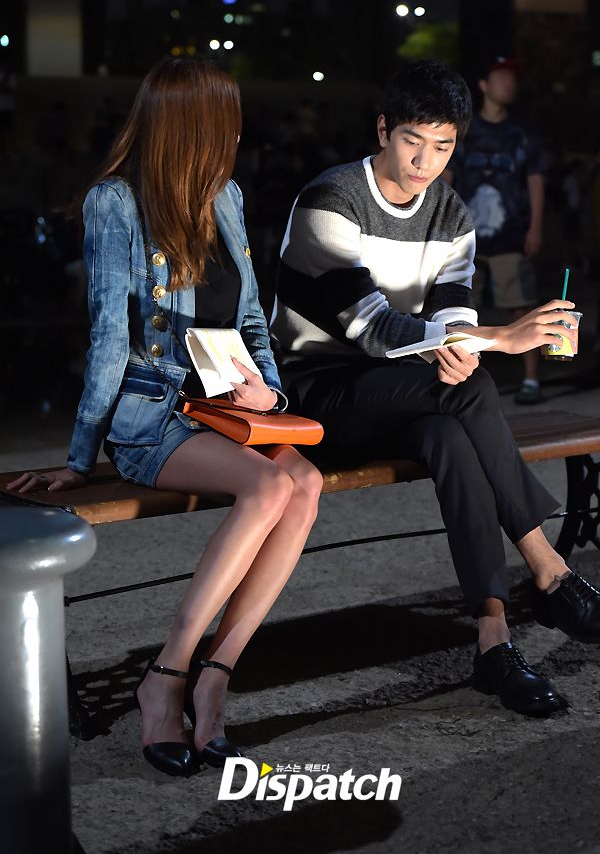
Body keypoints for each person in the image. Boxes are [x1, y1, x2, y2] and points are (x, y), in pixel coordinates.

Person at [6, 57, 323, 777]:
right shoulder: (115, 202)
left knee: (304, 485)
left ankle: (216, 676)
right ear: (195, 127)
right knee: (270, 486)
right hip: (153, 415)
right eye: (227, 121)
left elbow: (250, 320)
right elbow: (108, 337)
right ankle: (168, 675)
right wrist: (81, 457)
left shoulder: (227, 196)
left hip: (228, 408)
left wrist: (271, 399)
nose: (237, 135)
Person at [270, 58, 600, 717]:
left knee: (452, 431)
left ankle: (493, 641)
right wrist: (499, 340)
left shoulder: (450, 212)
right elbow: (370, 328)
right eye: (412, 141)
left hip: (406, 387)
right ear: (383, 130)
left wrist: (462, 351)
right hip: (316, 392)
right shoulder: (329, 201)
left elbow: (452, 322)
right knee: (468, 394)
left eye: (443, 146)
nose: (425, 161)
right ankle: (549, 569)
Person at [444, 56, 546, 405]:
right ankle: (462, 380)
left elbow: (535, 180)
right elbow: (447, 177)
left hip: (511, 234)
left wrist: (535, 227)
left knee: (520, 305)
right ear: (484, 85)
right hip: (465, 238)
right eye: (500, 77)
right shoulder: (464, 130)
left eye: (512, 78)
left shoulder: (523, 132)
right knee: (459, 307)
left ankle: (531, 380)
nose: (508, 83)